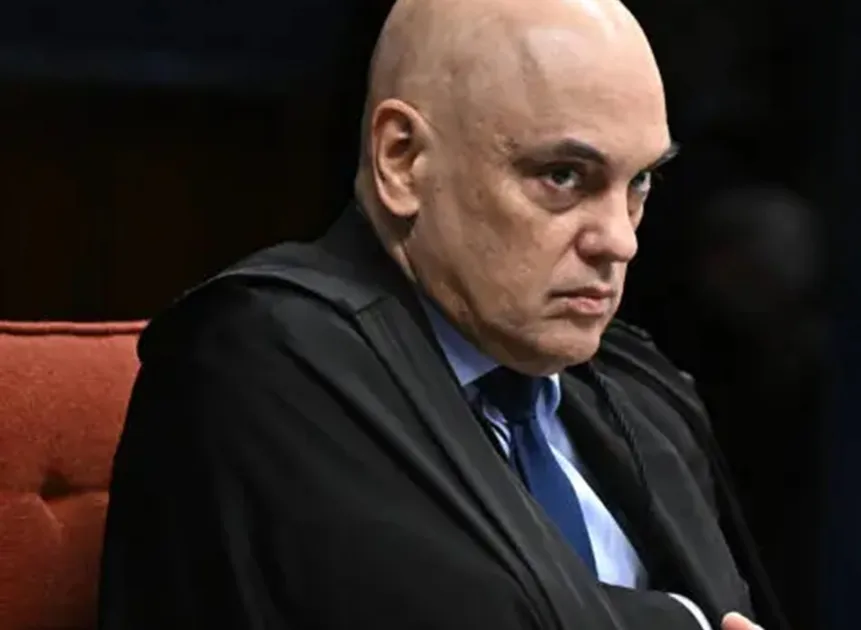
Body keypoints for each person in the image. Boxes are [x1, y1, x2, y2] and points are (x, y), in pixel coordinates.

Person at [98, 0, 785, 629]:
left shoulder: (639, 393)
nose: (619, 240)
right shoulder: (257, 352)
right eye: (563, 176)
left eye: (639, 183)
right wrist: (683, 621)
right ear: (402, 159)